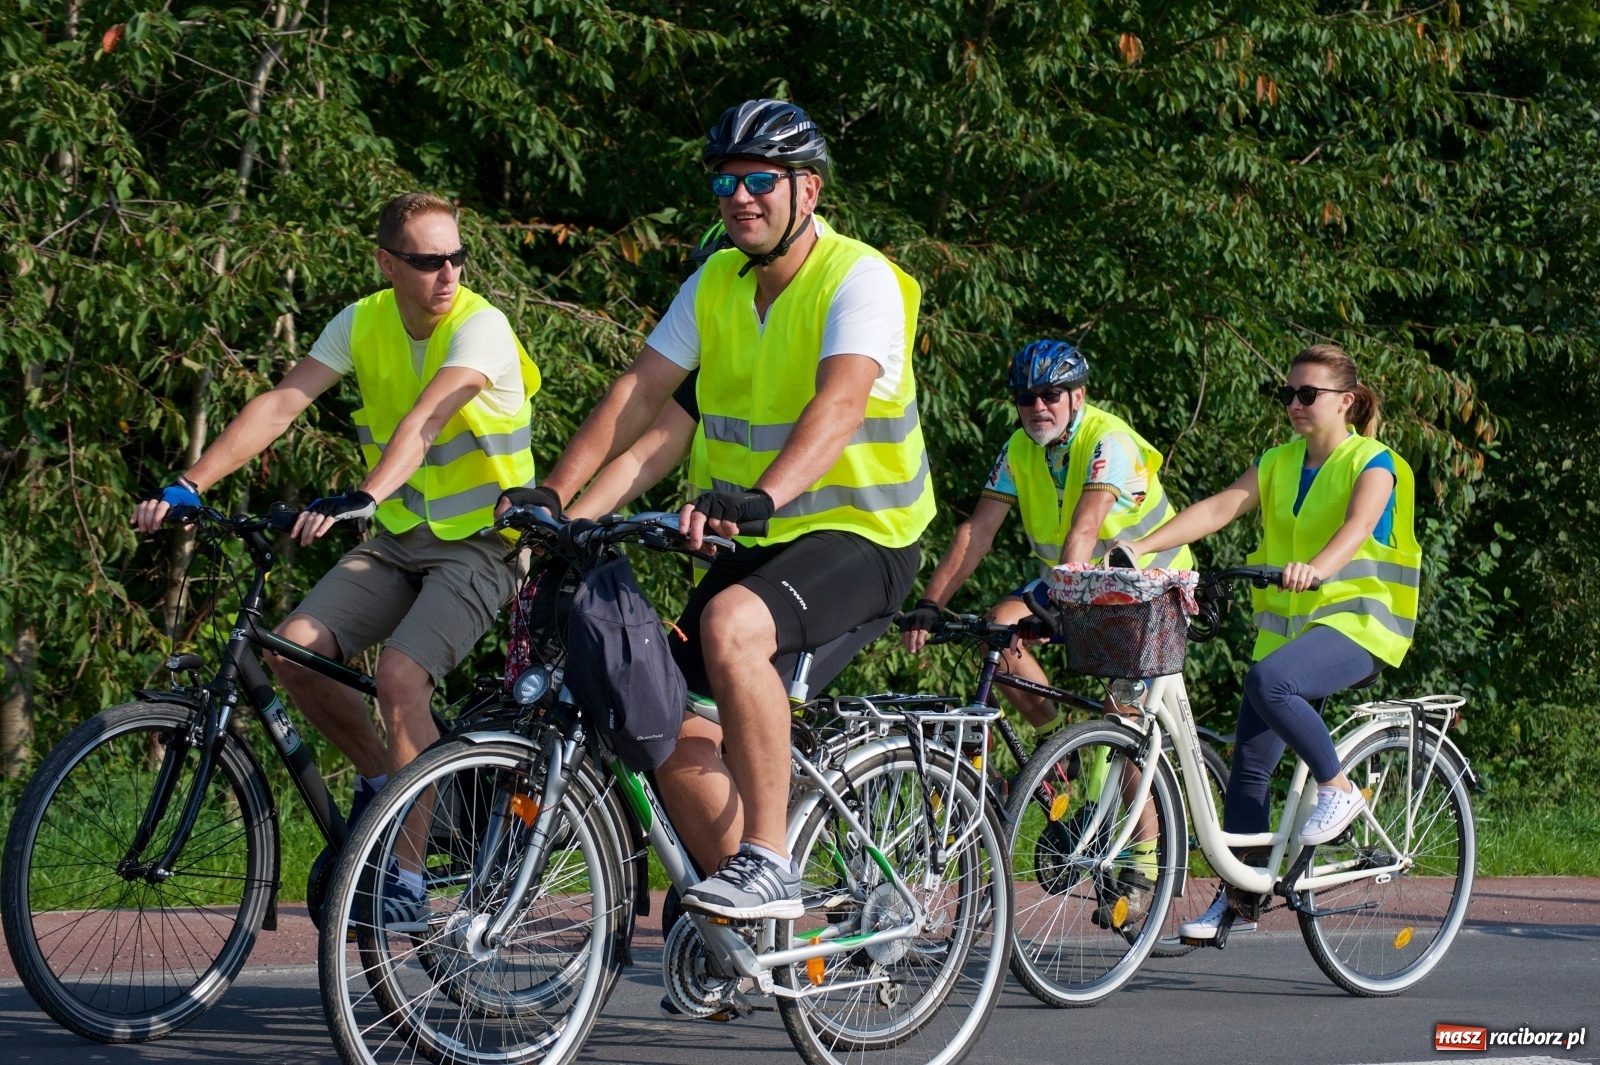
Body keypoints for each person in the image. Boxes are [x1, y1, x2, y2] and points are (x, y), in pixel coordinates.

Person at [536, 98, 933, 921]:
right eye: (725, 181)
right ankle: (753, 927)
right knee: (661, 719)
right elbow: (641, 403)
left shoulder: (859, 278)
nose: (740, 196)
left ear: (808, 191)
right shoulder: (716, 281)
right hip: (758, 542)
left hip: (863, 536)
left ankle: (772, 862)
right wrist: (559, 503)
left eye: (760, 179)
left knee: (731, 630)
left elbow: (841, 404)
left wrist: (761, 497)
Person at [132, 192, 542, 919]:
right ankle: (395, 788)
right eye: (426, 261)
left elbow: (430, 415)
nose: (446, 274)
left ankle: (406, 882)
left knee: (399, 674)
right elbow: (284, 401)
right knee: (292, 650)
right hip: (400, 539)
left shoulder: (482, 326)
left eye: (456, 256)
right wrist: (191, 482)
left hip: (484, 544)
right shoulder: (364, 321)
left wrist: (366, 490)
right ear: (388, 263)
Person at [1118, 344, 1422, 940]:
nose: (1294, 404)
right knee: (1250, 771)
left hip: (1360, 626)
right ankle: (1241, 900)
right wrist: (1142, 546)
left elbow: (1358, 528)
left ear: (1346, 402)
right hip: (1290, 636)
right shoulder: (1280, 461)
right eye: (1288, 393)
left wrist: (1317, 566)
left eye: (1308, 394)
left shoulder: (1374, 462)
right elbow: (1222, 507)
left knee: (1269, 683)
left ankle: (1338, 789)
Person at [898, 339, 1192, 729]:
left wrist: (1061, 602)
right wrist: (930, 604)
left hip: (1149, 590)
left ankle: (1139, 788)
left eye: (1050, 395)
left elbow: (1085, 526)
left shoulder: (1108, 441)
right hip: (1081, 584)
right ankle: (1055, 755)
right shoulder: (1018, 447)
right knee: (998, 630)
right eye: (1025, 398)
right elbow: (978, 530)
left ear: (1077, 396)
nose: (1038, 408)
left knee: (1119, 720)